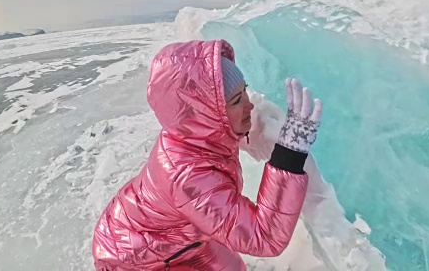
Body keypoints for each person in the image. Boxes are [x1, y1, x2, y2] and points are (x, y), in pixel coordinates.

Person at [91, 39, 323, 270]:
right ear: (205, 114)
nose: (249, 105)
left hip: (179, 236)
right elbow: (262, 237)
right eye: (235, 101)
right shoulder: (187, 177)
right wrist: (289, 154)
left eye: (245, 91)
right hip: (131, 256)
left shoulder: (191, 132)